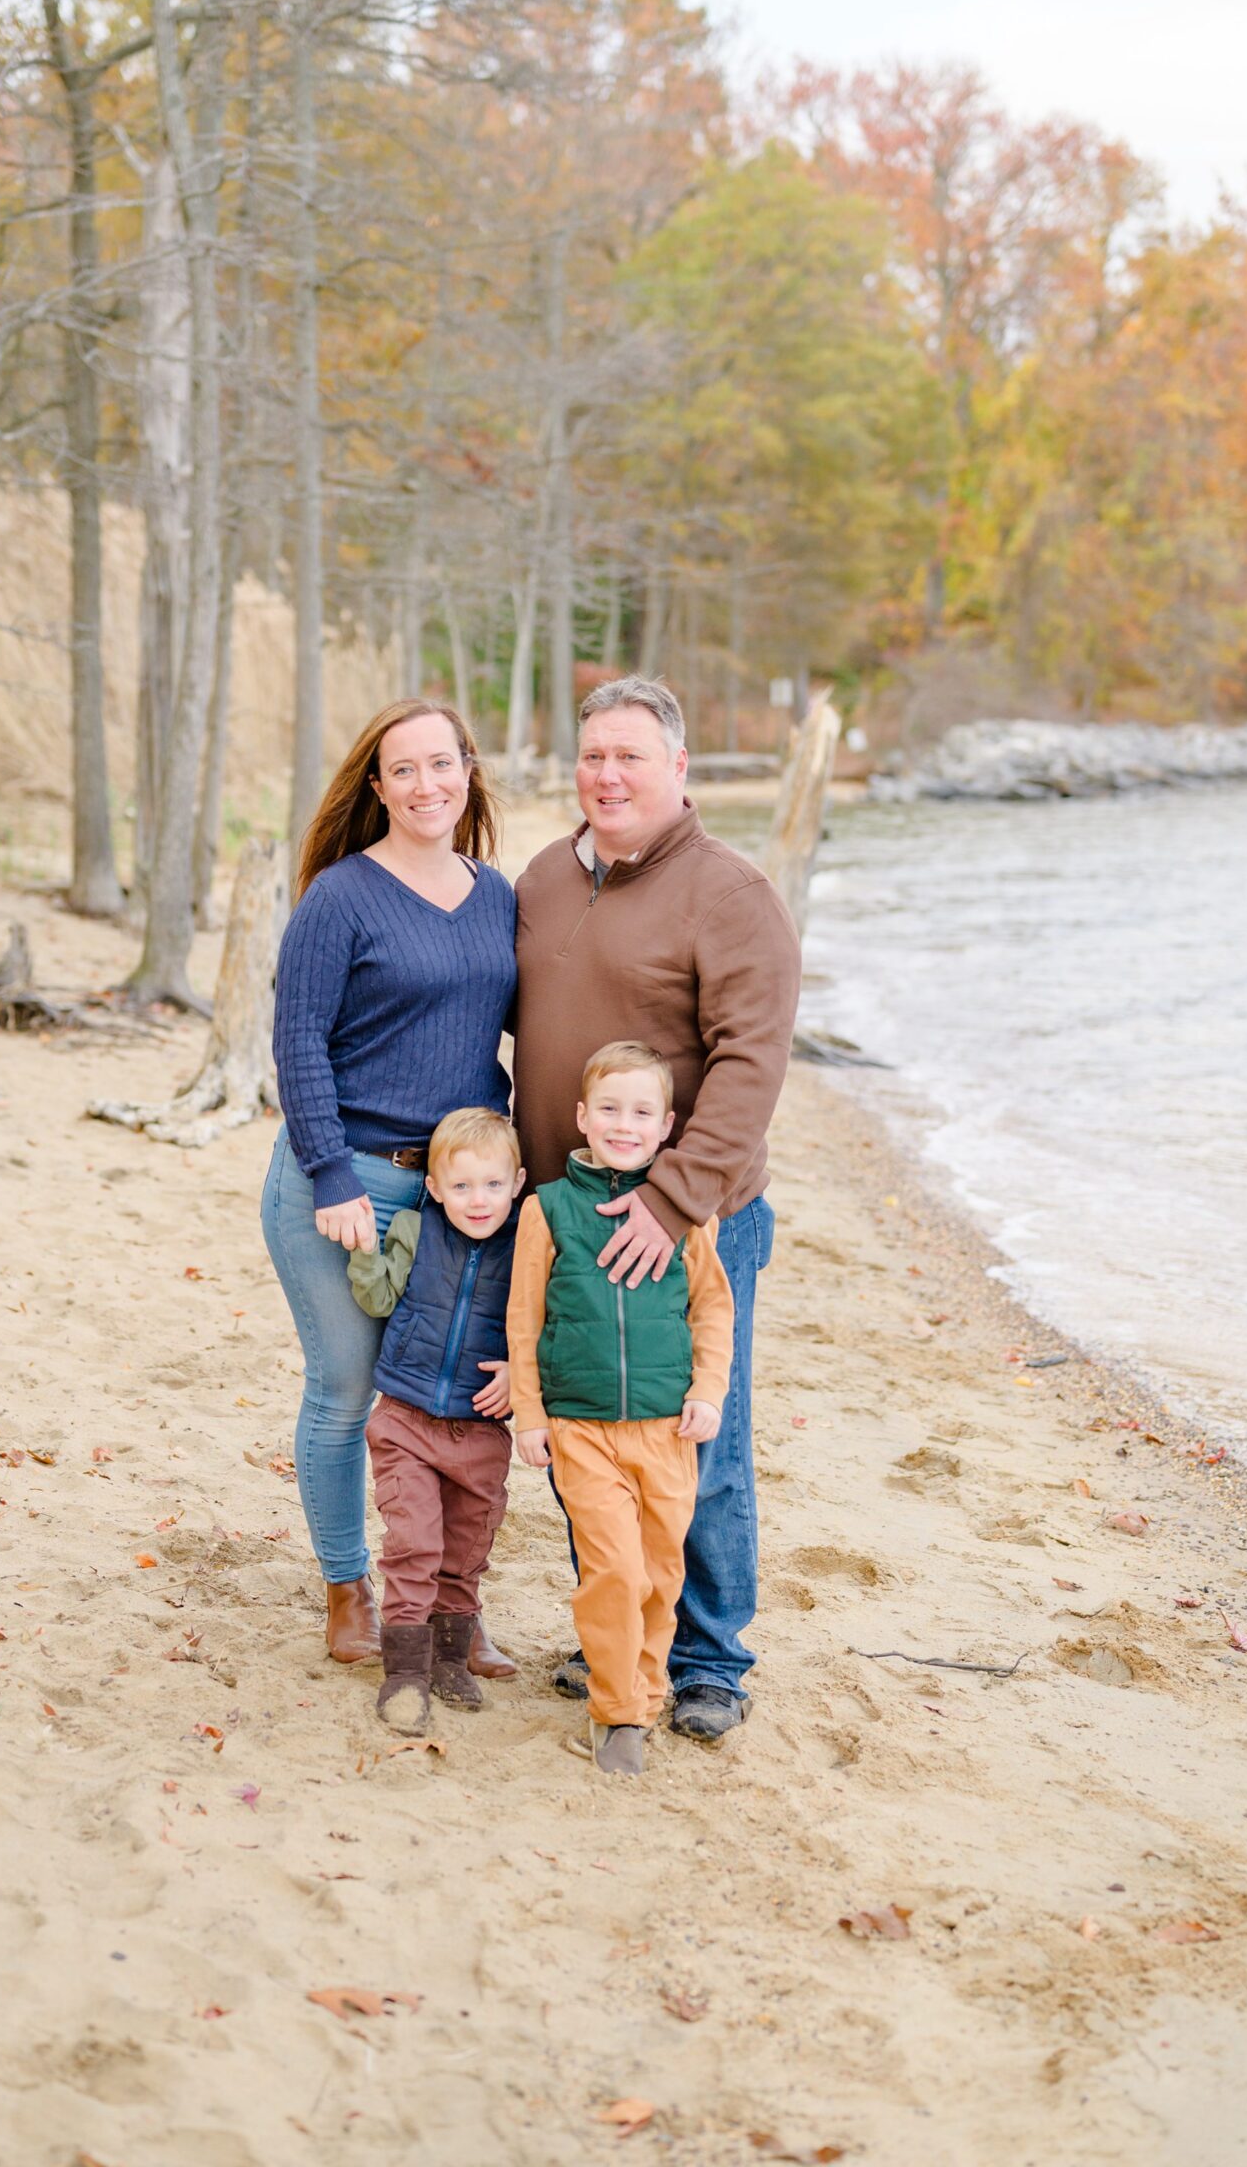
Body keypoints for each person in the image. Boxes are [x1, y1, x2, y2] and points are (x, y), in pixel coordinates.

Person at [513, 676, 800, 1742]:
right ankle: (617, 1634)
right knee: (587, 1430)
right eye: (593, 754)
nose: (608, 773)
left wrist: (672, 1201)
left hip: (683, 1222)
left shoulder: (730, 895)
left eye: (631, 755)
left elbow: (751, 1063)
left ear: (677, 769)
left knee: (695, 1437)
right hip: (565, 1216)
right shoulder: (545, 875)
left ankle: (707, 1658)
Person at [263, 699, 521, 1679]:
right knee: (345, 1389)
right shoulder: (340, 896)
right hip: (347, 1184)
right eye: (401, 769)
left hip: (462, 1199)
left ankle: (453, 1605)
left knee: (458, 1403)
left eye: (440, 765)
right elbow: (297, 1044)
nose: (425, 785)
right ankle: (347, 1587)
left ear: (468, 770)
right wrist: (330, 1172)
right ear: (374, 786)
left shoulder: (496, 894)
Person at [508, 1044, 735, 1776]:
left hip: (667, 1427)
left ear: (666, 1125)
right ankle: (616, 1715)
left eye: (640, 1112)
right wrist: (529, 1413)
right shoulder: (546, 1209)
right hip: (580, 1426)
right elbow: (522, 1319)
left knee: (659, 1574)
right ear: (581, 1116)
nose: (623, 1124)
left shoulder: (684, 1217)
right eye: (608, 1108)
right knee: (610, 1568)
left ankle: (643, 1686)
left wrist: (706, 1392)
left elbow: (712, 1310)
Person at [347, 1106, 525, 1734]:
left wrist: (520, 1375)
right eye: (461, 1186)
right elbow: (377, 1296)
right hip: (407, 1418)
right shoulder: (416, 1230)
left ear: (519, 1181)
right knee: (414, 1544)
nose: (478, 1201)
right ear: (434, 1188)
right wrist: (367, 1250)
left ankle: (451, 1658)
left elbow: (543, 1325)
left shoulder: (528, 1248)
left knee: (465, 1550)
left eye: (493, 1184)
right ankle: (404, 1672)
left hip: (481, 1429)